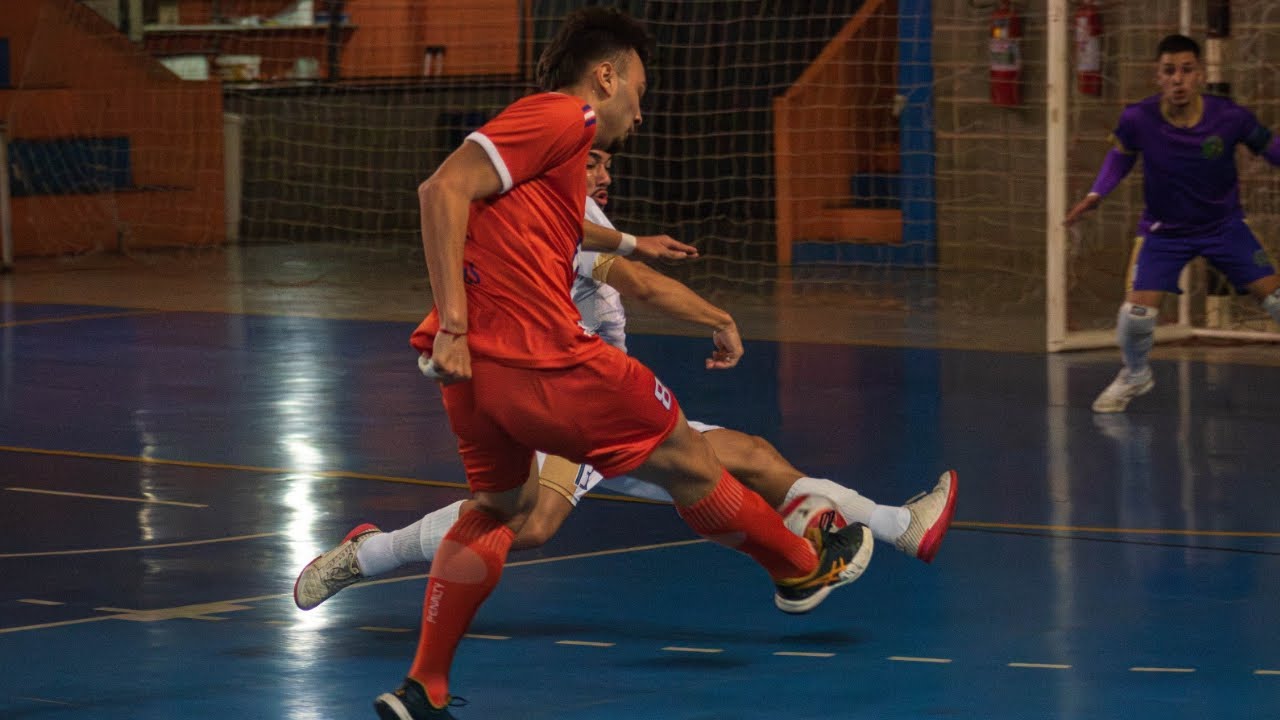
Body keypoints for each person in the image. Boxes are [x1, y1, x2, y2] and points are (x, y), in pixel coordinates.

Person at [363, 9, 876, 719]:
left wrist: (631, 243)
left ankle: (424, 687)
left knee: (498, 510)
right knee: (690, 458)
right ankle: (799, 567)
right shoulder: (562, 116)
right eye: (639, 85)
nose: (640, 107)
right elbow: (441, 189)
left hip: (476, 379)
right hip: (543, 357)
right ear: (606, 76)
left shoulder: (555, 152)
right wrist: (453, 321)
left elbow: (547, 216)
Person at [294, 148, 958, 616]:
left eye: (608, 161)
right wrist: (717, 316)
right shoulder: (549, 217)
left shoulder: (576, 215)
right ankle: (368, 555)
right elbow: (633, 281)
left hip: (612, 406)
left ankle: (894, 528)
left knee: (752, 456)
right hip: (565, 401)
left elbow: (618, 253)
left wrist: (635, 239)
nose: (605, 171)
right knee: (531, 525)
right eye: (593, 161)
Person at [1064, 33, 1280, 413]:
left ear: (1200, 74)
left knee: (1277, 299)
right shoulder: (1137, 119)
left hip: (1224, 227)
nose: (1178, 79)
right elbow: (1121, 157)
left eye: (1186, 70)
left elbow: (1269, 147)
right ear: (1157, 77)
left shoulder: (1230, 117)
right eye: (1169, 71)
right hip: (1164, 233)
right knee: (1134, 318)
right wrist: (1097, 194)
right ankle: (1135, 375)